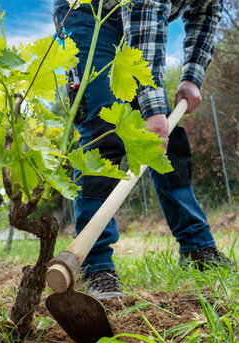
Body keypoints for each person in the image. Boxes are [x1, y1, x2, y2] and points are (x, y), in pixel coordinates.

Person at [53, 0, 233, 300]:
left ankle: (198, 248)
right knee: (102, 132)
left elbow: (207, 13)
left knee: (167, 138)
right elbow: (146, 9)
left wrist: (192, 76)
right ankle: (95, 264)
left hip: (137, 21)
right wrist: (153, 108)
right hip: (89, 12)